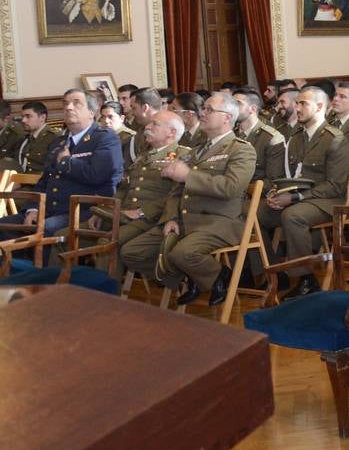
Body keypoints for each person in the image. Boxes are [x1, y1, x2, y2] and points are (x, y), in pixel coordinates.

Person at [120, 92, 256, 307]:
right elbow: (175, 192)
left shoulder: (241, 150)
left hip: (217, 221)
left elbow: (231, 188)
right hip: (184, 219)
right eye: (204, 108)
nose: (202, 112)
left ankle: (220, 275)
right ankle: (193, 277)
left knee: (182, 254)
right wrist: (171, 218)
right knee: (131, 252)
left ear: (227, 118)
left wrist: (188, 176)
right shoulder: (195, 151)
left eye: (209, 110)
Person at [257, 86, 349, 301]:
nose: (296, 108)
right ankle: (276, 271)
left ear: (319, 106)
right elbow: (288, 174)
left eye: (303, 104)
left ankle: (307, 279)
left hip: (327, 201)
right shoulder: (297, 136)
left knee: (293, 216)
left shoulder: (335, 139)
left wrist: (295, 197)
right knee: (257, 212)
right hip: (296, 197)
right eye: (296, 103)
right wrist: (277, 193)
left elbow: (335, 186)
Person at [6, 89, 122, 235]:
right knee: (4, 225)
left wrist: (67, 161)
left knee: (46, 228)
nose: (68, 107)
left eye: (76, 103)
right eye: (65, 104)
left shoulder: (105, 139)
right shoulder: (59, 142)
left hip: (82, 211)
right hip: (48, 210)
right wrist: (33, 209)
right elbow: (45, 181)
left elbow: (97, 175)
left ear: (92, 112)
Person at [111, 110, 183, 256]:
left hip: (150, 217)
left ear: (171, 132)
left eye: (154, 124)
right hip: (124, 212)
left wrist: (141, 212)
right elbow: (124, 187)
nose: (147, 127)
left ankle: (106, 280)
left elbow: (177, 194)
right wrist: (110, 208)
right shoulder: (144, 155)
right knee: (67, 234)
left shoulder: (182, 155)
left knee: (109, 243)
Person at [233, 88, 285, 187]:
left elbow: (273, 181)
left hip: (256, 196)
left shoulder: (271, 138)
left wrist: (237, 190)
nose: (232, 107)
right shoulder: (231, 134)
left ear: (253, 109)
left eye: (238, 103)